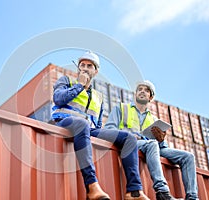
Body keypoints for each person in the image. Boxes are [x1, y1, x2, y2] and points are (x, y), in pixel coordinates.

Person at [50, 50, 150, 200]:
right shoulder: (66, 81)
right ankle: (92, 186)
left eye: (89, 66)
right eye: (82, 65)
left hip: (89, 129)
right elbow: (58, 99)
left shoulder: (98, 97)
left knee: (129, 138)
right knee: (82, 123)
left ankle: (134, 191)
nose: (84, 68)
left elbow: (97, 125)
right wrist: (80, 86)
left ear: (96, 71)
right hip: (65, 123)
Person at [104, 80, 199, 200]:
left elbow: (163, 148)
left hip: (152, 146)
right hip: (129, 144)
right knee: (152, 144)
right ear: (135, 94)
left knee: (188, 156)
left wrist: (161, 140)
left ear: (151, 97)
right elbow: (108, 129)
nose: (142, 91)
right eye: (140, 89)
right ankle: (162, 191)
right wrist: (131, 136)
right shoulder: (122, 108)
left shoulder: (154, 119)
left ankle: (192, 196)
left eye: (146, 90)